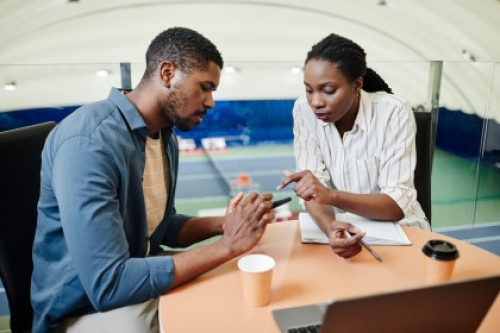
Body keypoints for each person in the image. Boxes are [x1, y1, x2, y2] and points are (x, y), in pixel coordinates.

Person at [31, 27, 275, 333]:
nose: (211, 102)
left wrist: (226, 224)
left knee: (230, 290)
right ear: (167, 73)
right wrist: (226, 246)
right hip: (82, 308)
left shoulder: (164, 137)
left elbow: (162, 227)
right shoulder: (88, 143)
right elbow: (109, 284)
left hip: (133, 279)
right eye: (205, 87)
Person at [277, 33, 430, 259]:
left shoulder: (393, 111)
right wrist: (331, 229)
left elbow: (397, 205)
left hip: (401, 232)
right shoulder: (303, 110)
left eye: (328, 90)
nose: (316, 102)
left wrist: (331, 195)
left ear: (357, 85)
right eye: (309, 89)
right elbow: (312, 194)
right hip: (339, 230)